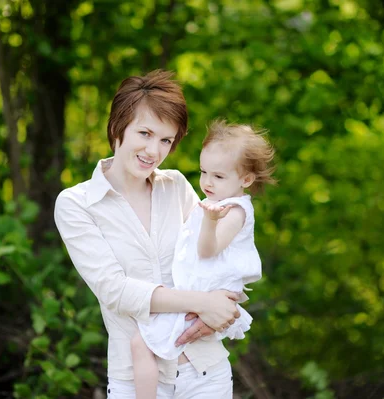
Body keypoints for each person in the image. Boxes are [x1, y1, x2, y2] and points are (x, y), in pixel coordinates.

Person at [54, 70, 243, 398]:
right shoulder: (77, 204)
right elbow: (116, 290)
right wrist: (203, 303)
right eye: (144, 132)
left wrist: (224, 307)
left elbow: (216, 257)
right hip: (136, 380)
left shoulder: (176, 187)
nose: (153, 150)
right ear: (118, 126)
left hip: (205, 371)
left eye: (165, 140)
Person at [131, 119, 276, 399]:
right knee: (144, 346)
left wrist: (209, 221)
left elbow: (208, 250)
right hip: (199, 295)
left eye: (219, 176)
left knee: (140, 344)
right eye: (203, 172)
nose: (207, 182)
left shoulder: (234, 212)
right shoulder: (217, 204)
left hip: (207, 295)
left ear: (245, 180)